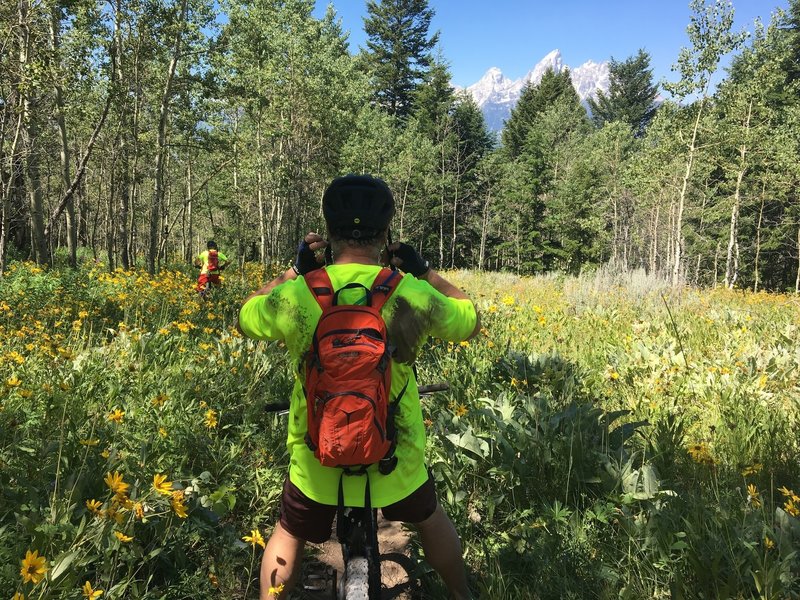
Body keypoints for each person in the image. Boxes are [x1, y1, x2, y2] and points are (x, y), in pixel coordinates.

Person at [237, 175, 478, 600]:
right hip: (394, 457)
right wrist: (423, 270)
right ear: (385, 236)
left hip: (317, 457)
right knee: (430, 518)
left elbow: (245, 315)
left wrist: (294, 270)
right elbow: (468, 319)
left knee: (289, 532)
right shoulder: (409, 291)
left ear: (327, 235)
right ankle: (462, 594)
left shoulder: (299, 293)